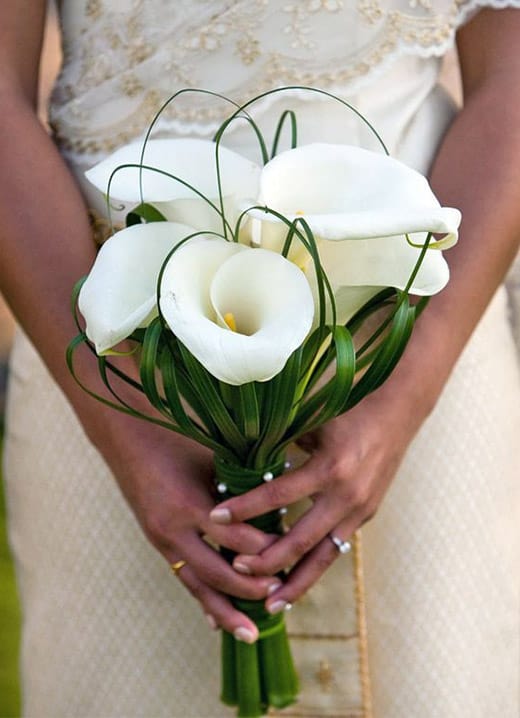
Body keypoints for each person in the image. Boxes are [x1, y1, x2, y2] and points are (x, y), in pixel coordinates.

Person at [1, 2, 519, 716]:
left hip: (418, 349)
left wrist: (403, 392)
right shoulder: (115, 392)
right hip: (106, 342)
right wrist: (123, 423)